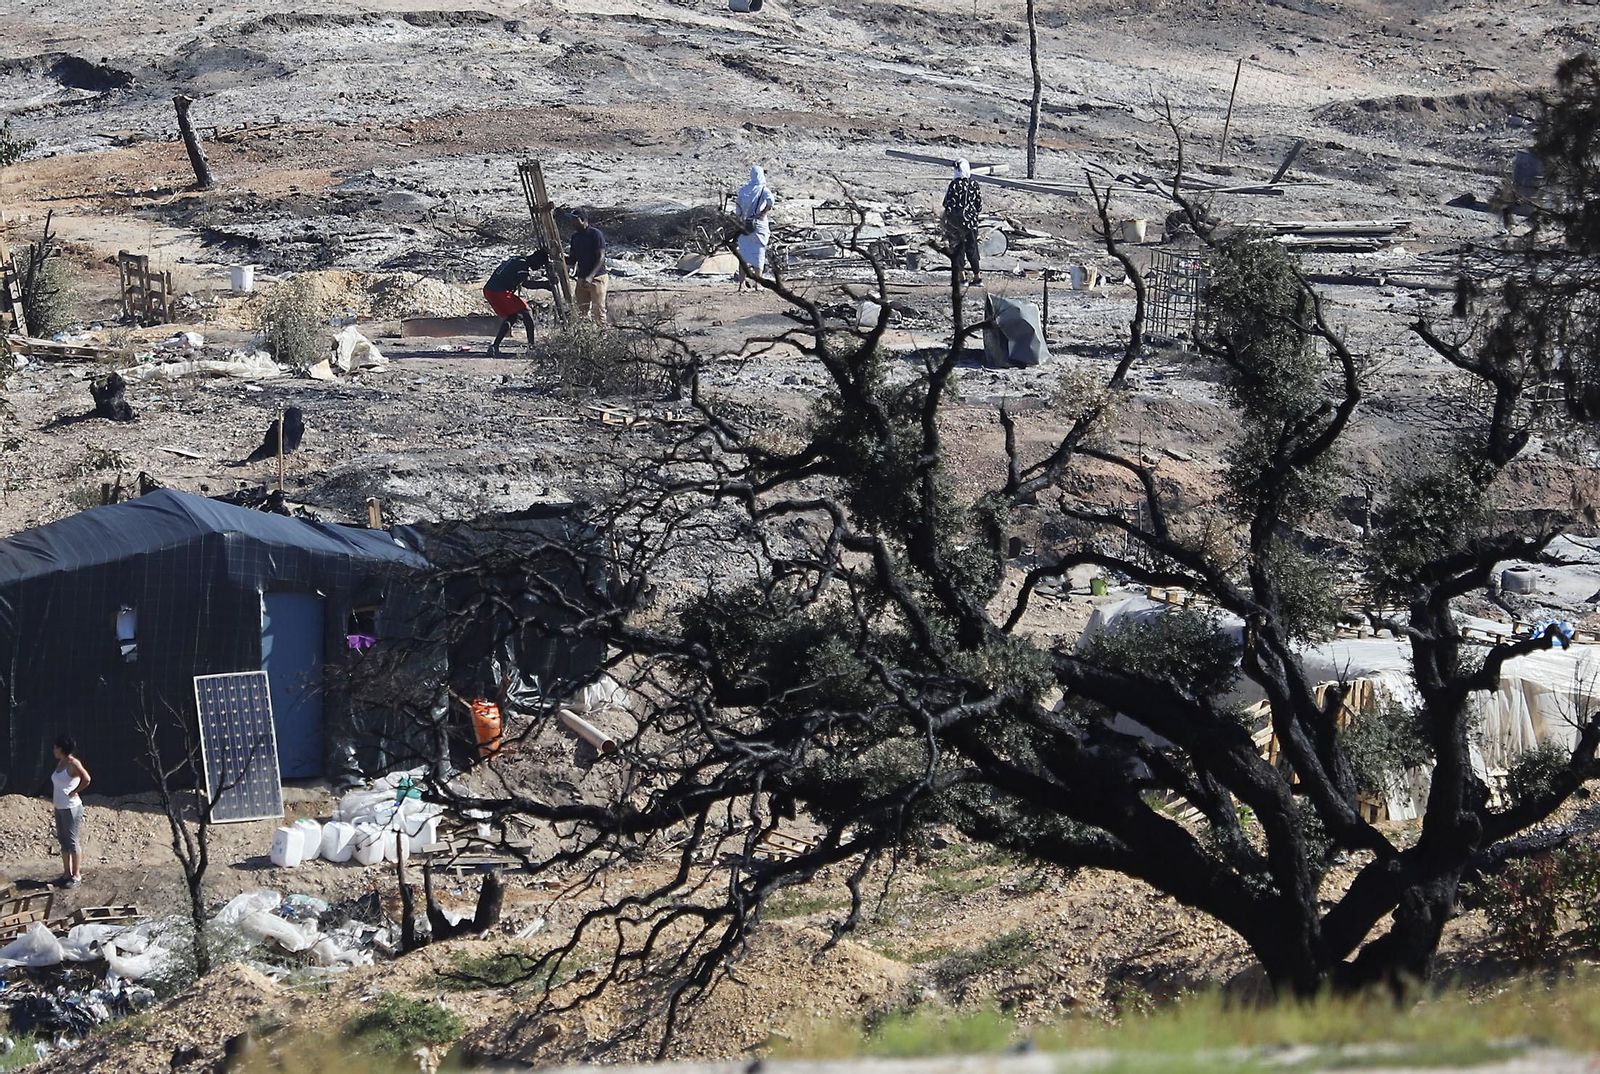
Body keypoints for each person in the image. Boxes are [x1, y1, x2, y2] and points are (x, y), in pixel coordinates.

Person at [482, 250, 551, 358]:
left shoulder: (518, 259)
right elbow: (527, 284)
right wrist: (545, 285)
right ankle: (531, 348)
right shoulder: (522, 264)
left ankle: (494, 347)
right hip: (498, 291)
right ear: (536, 259)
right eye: (540, 264)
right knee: (527, 311)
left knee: (512, 316)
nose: (538, 267)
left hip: (490, 290)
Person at [51, 735, 89, 889]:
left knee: (72, 841)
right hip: (59, 807)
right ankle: (66, 873)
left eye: (55, 747)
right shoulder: (61, 763)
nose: (53, 750)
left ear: (61, 748)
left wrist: (75, 791)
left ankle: (76, 875)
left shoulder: (73, 764)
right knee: (63, 841)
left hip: (71, 808)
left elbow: (86, 779)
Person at [942, 158, 984, 287]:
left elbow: (946, 203)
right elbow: (979, 205)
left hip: (955, 223)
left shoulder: (953, 185)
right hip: (971, 223)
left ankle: (962, 278)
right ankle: (977, 277)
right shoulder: (974, 184)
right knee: (972, 248)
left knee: (958, 249)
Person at [734, 165, 774, 292]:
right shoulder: (763, 189)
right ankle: (758, 283)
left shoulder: (743, 190)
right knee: (759, 254)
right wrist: (762, 213)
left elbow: (738, 209)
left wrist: (741, 218)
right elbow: (770, 201)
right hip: (759, 226)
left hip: (744, 225)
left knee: (743, 255)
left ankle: (741, 284)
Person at [566, 209, 608, 325]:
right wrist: (559, 257)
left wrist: (590, 276)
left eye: (575, 219)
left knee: (598, 311)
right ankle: (586, 337)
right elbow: (573, 259)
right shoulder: (575, 237)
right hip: (582, 278)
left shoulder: (595, 234)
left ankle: (603, 337)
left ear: (583, 220)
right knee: (582, 312)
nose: (572, 222)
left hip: (597, 278)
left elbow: (601, 257)